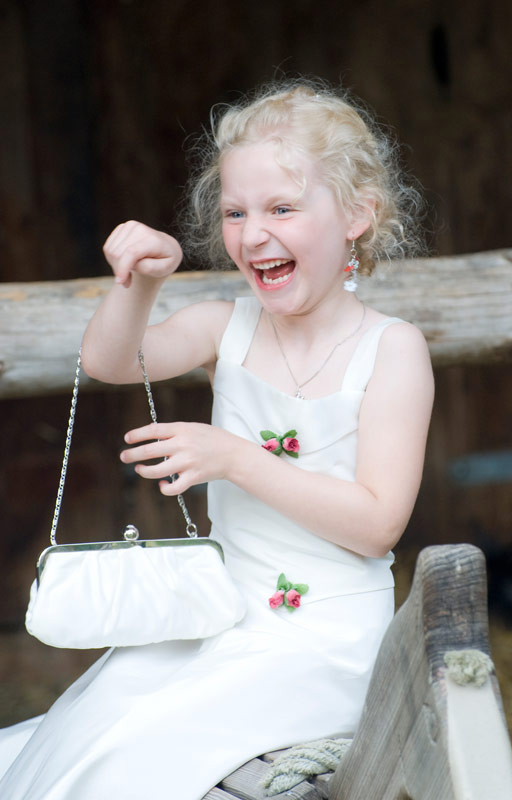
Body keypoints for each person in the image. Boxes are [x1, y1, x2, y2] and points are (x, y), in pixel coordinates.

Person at [0, 80, 434, 799]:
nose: (252, 233)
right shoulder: (222, 327)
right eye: (236, 212)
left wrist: (235, 457)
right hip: (219, 616)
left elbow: (376, 523)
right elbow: (109, 361)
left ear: (358, 214)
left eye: (281, 208)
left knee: (133, 752)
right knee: (86, 727)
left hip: (324, 647)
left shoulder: (390, 350)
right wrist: (141, 284)